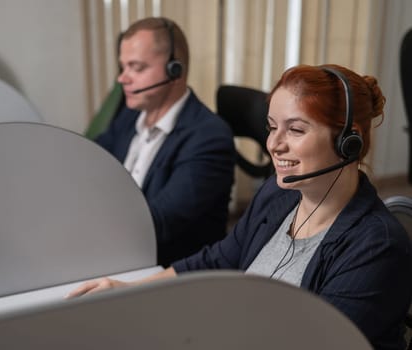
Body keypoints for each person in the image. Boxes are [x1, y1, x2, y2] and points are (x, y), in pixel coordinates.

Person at [70, 64, 412, 350]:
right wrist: (130, 289)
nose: (274, 145)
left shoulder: (376, 246)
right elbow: (219, 258)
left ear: (348, 142)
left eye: (295, 129)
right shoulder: (278, 197)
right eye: (272, 128)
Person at [95, 17, 236, 267]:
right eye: (123, 67)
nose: (122, 79)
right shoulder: (131, 115)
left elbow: (157, 223)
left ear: (175, 70)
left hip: (165, 272)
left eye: (136, 68)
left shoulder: (209, 138)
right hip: (119, 253)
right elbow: (91, 159)